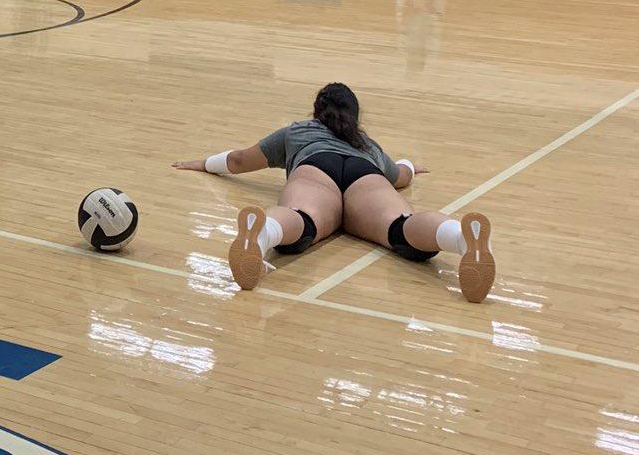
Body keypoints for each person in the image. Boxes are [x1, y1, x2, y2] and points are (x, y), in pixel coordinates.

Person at [173, 80, 493, 302]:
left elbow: (240, 160)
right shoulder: (366, 143)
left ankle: (261, 235)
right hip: (364, 174)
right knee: (401, 226)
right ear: (354, 115)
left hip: (315, 168)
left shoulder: (297, 131)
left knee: (301, 219)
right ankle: (459, 237)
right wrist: (410, 165)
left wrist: (201, 163)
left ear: (317, 111)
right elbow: (399, 176)